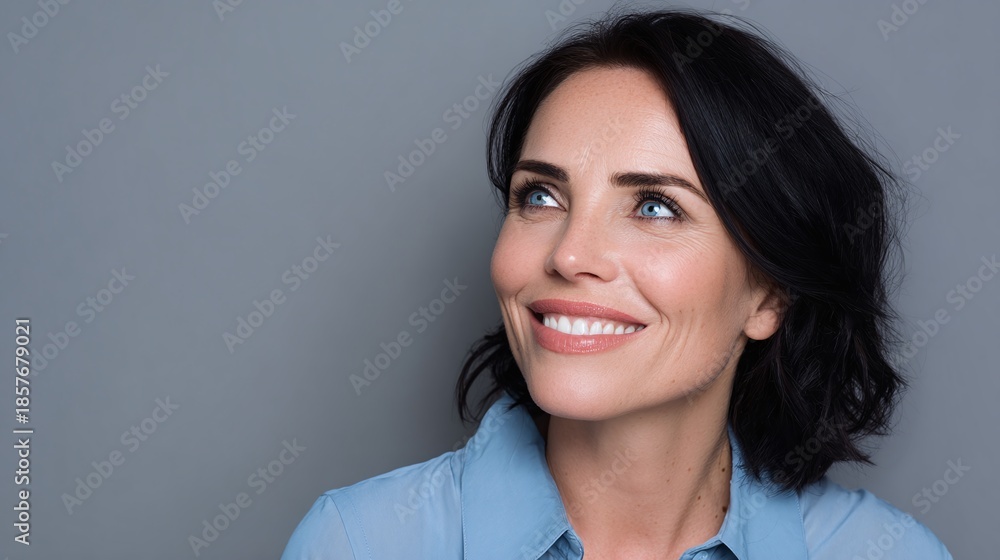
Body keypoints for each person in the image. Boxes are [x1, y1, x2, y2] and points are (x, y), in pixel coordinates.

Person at [280, 6, 954, 559]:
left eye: (654, 207)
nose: (570, 254)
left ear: (770, 294)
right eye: (540, 195)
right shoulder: (360, 544)